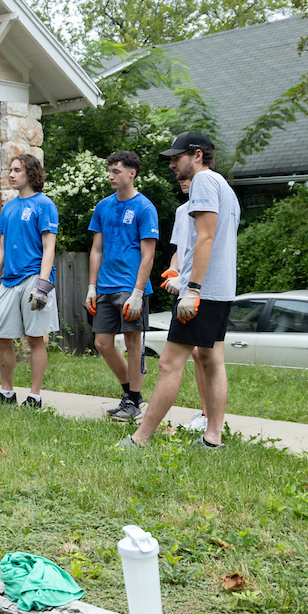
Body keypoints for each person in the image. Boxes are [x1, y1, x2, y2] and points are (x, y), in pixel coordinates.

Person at [126, 132, 239, 449]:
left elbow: (205, 238)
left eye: (177, 157)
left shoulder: (203, 182)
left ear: (198, 155)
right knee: (211, 359)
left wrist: (192, 289)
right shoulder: (223, 186)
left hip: (202, 293)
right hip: (222, 290)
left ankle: (140, 438)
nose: (172, 164)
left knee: (169, 363)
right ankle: (212, 438)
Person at [0, 153, 59, 408]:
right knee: (1, 337)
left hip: (34, 276)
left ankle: (34, 396)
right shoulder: (8, 207)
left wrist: (43, 285)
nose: (11, 174)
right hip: (9, 281)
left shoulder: (44, 205)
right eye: (10, 170)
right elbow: (1, 249)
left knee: (35, 338)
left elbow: (49, 247)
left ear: (31, 174)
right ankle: (7, 393)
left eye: (16, 170)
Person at [85, 151, 159, 422]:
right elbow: (97, 248)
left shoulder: (144, 208)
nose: (111, 176)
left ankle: (134, 400)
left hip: (131, 286)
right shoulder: (104, 206)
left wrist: (138, 293)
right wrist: (92, 286)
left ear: (132, 173)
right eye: (110, 171)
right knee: (102, 343)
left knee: (132, 343)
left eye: (116, 171)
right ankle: (131, 394)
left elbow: (148, 254)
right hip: (105, 286)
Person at [162, 176, 210, 433]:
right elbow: (181, 251)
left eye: (187, 177)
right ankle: (207, 416)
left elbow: (208, 245)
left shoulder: (211, 205)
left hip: (202, 288)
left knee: (203, 353)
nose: (182, 181)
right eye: (180, 178)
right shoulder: (182, 211)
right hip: (184, 290)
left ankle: (208, 416)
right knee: (196, 353)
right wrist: (173, 270)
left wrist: (188, 282)